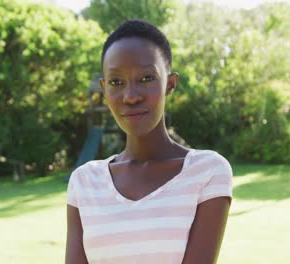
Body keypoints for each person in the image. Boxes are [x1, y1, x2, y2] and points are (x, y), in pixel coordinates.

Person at [65, 20, 233, 264]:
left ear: (170, 84)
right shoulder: (84, 182)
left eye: (146, 78)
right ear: (104, 89)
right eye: (116, 82)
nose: (130, 96)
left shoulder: (207, 171)